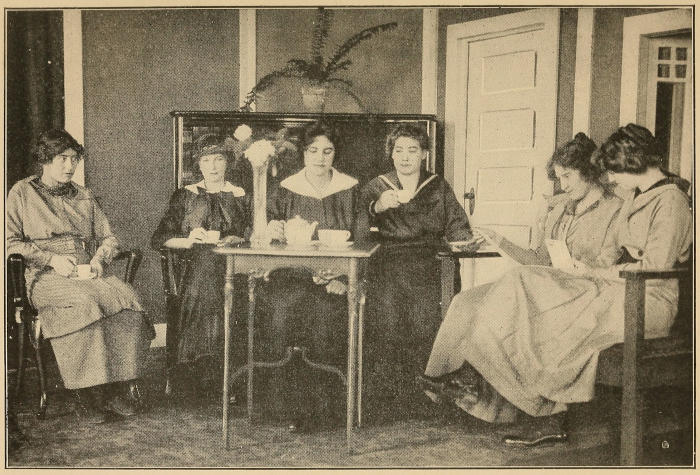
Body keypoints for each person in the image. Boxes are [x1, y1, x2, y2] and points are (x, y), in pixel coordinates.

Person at [419, 124, 692, 446]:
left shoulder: (671, 200)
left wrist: (593, 272)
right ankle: (482, 378)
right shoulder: (636, 194)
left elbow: (655, 268)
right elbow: (592, 210)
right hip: (616, 290)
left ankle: (529, 404)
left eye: (614, 170)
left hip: (647, 299)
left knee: (533, 298)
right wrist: (555, 209)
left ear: (632, 162)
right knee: (523, 292)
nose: (610, 177)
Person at [6, 129, 154, 424]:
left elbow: (109, 238)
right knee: (86, 302)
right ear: (45, 159)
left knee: (126, 299)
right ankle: (85, 394)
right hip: (44, 275)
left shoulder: (83, 195)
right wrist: (51, 259)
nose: (70, 165)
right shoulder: (22, 193)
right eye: (62, 159)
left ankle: (115, 387)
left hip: (85, 271)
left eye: (74, 159)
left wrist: (99, 259)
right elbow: (9, 243)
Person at [354, 123, 473, 411]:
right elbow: (359, 229)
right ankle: (389, 395)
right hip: (388, 260)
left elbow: (457, 223)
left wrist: (464, 240)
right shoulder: (377, 186)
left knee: (426, 319)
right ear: (391, 154)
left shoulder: (437, 186)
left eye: (412, 150)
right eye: (399, 151)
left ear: (423, 154)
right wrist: (377, 207)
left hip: (429, 261)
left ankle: (427, 393)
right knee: (388, 320)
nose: (405, 157)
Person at [259, 121, 358, 433]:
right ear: (303, 153)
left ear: (335, 154)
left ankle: (326, 409)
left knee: (325, 319)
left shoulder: (350, 189)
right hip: (291, 277)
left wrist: (345, 279)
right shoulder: (286, 188)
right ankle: (285, 406)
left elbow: (363, 242)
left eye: (327, 151)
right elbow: (265, 234)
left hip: (335, 280)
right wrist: (271, 231)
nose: (320, 158)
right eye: (313, 151)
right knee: (281, 314)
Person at [151, 134, 251, 392]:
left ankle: (221, 370)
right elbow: (160, 238)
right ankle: (205, 367)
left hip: (235, 267)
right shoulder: (186, 196)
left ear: (228, 162)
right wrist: (189, 240)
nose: (213, 166)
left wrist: (238, 239)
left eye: (219, 159)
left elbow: (255, 236)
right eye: (207, 160)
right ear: (199, 164)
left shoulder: (241, 195)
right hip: (191, 271)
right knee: (206, 265)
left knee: (216, 273)